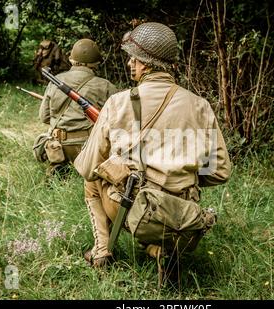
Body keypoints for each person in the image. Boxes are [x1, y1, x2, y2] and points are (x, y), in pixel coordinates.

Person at [74, 22, 231, 283]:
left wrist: (117, 163)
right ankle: (160, 249)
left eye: (132, 60)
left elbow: (87, 165)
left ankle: (102, 251)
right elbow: (220, 171)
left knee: (91, 181)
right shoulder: (200, 105)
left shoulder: (119, 102)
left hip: (133, 210)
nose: (129, 65)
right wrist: (184, 173)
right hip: (181, 214)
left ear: (144, 64)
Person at [38, 38, 117, 176]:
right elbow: (116, 122)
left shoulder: (55, 81)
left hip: (60, 148)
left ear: (72, 59)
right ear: (96, 62)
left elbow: (44, 118)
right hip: (90, 149)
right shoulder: (106, 86)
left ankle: (58, 168)